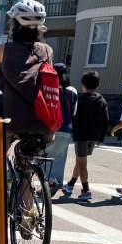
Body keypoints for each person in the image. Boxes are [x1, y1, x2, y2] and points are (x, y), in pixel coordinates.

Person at [0, 0, 55, 146]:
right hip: (42, 121)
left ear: (14, 25)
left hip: (9, 119)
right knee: (29, 155)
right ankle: (27, 166)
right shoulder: (48, 51)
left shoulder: (1, 50)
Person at [62, 70, 109, 200]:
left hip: (81, 134)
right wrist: (101, 137)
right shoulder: (101, 100)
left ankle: (86, 189)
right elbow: (106, 120)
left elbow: (74, 116)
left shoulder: (80, 99)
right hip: (94, 135)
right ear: (98, 85)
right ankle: (71, 184)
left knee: (82, 162)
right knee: (80, 160)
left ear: (83, 85)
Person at [44, 63, 78, 195]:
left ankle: (48, 183)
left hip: (50, 127)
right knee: (59, 159)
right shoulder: (72, 90)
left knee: (42, 157)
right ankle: (54, 181)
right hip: (66, 129)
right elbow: (74, 112)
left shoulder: (49, 88)